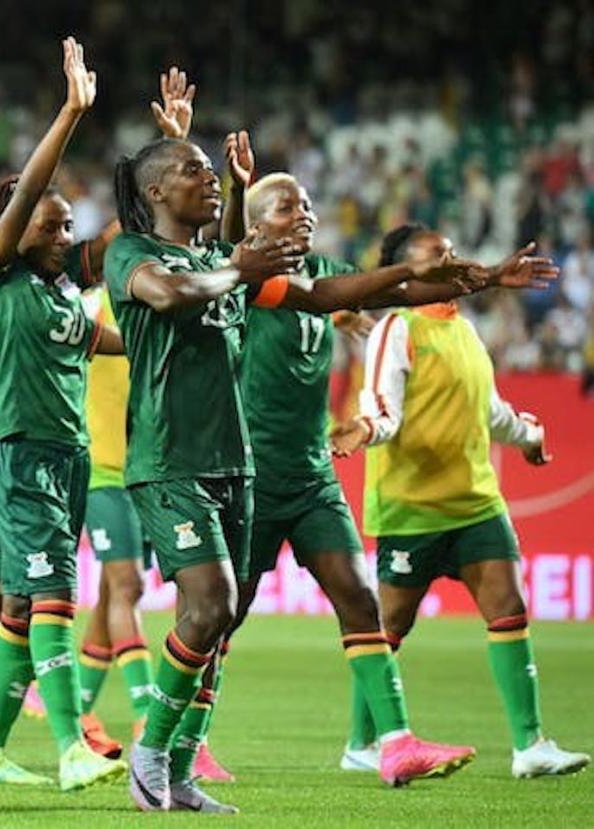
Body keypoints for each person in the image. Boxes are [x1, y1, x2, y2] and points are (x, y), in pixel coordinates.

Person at [105, 136, 484, 811]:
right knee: (215, 607)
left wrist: (452, 281)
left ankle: (183, 767)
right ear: (156, 191)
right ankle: (153, 750)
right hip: (168, 462)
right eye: (194, 170)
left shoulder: (226, 259)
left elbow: (327, 290)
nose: (211, 177)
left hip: (236, 467)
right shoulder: (131, 254)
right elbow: (170, 295)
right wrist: (238, 269)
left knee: (229, 615)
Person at [217, 173, 561, 779]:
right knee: (221, 616)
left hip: (313, 474)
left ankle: (393, 743)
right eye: (286, 205)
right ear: (253, 225)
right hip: (254, 474)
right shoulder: (243, 276)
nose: (305, 211)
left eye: (308, 202)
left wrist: (483, 279)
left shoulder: (329, 268)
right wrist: (236, 186)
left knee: (360, 602)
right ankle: (179, 739)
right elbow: (344, 295)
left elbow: (382, 294)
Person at [331, 222, 590, 780]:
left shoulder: (466, 331)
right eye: (436, 257)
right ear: (408, 272)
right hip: (411, 507)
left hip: (475, 502)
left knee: (509, 609)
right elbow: (384, 410)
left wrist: (529, 436)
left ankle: (529, 746)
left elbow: (488, 409)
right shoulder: (395, 330)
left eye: (452, 253)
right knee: (388, 628)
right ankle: (361, 742)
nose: (451, 263)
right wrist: (365, 429)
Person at [0, 37, 128, 792]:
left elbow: (113, 340)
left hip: (69, 456)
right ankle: (70, 745)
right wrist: (70, 112)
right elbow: (29, 193)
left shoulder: (64, 291)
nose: (64, 236)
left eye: (70, 228)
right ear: (18, 224)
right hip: (19, 451)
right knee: (55, 589)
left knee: (25, 603)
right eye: (53, 225)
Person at [76, 67, 198, 762]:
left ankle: (79, 717)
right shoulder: (96, 313)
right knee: (122, 585)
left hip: (149, 471)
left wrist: (174, 142)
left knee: (110, 601)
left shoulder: (157, 307)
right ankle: (156, 712)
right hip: (102, 472)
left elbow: (175, 240)